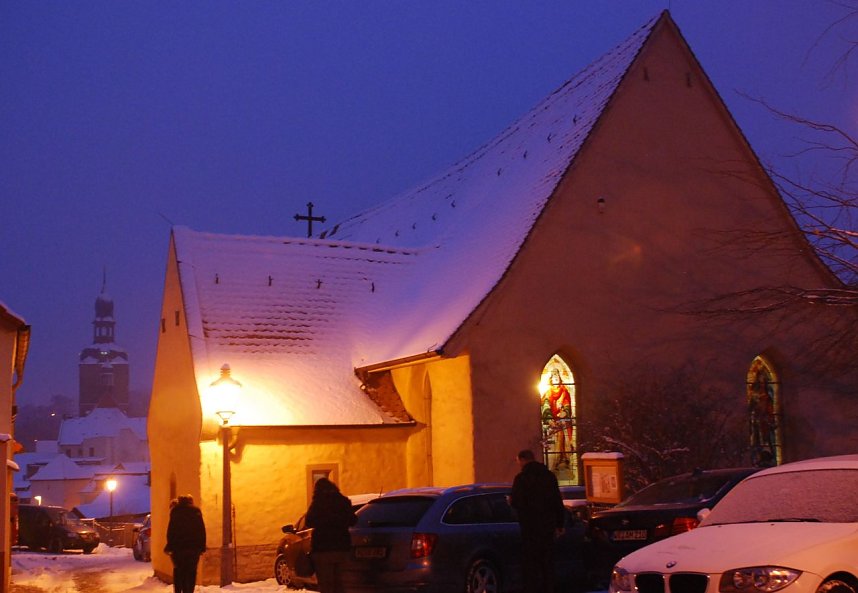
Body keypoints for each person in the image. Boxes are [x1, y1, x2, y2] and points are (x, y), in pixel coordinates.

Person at [510, 449, 566, 593]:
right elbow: (557, 502)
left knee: (531, 564)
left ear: (523, 460)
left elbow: (517, 501)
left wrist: (511, 502)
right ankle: (549, 588)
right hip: (547, 527)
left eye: (518, 461)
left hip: (529, 528)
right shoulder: (549, 477)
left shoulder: (521, 479)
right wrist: (560, 524)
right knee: (547, 563)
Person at [305, 478, 357, 593]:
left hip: (322, 549)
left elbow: (308, 521)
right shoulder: (343, 501)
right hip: (342, 547)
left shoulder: (318, 502)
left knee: (326, 585)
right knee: (341, 584)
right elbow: (353, 520)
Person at [165, 494, 206, 593]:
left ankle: (179, 590)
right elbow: (201, 530)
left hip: (178, 549)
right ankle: (189, 591)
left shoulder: (175, 511)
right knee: (191, 572)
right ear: (190, 501)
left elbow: (171, 530)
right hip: (193, 548)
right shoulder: (196, 511)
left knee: (179, 570)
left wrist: (170, 545)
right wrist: (202, 547)